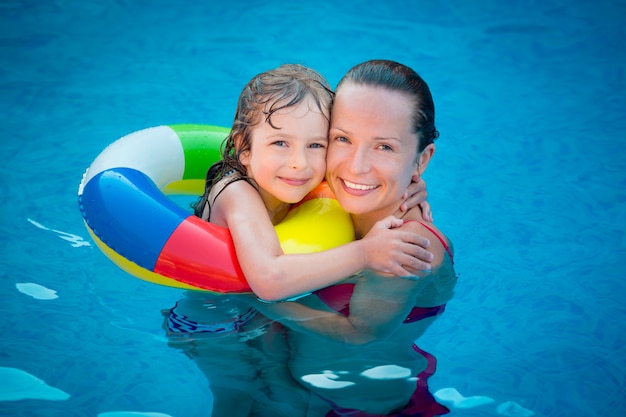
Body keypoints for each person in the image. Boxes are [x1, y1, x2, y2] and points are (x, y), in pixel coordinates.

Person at [252, 59, 457, 416]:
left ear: (421, 161)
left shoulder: (408, 250)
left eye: (385, 147)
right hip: (300, 393)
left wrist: (251, 294)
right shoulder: (332, 194)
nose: (356, 166)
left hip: (365, 408)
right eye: (343, 138)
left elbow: (360, 333)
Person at [192, 63, 434, 302]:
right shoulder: (237, 193)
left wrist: (409, 184)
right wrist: (365, 253)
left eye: (316, 145)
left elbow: (356, 178)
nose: (300, 163)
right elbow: (269, 280)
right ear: (244, 148)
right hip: (208, 321)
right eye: (280, 143)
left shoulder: (306, 184)